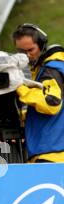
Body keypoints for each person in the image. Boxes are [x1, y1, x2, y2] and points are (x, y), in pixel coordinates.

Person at [12, 23, 64, 162]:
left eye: (30, 49)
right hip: (50, 152)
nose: (27, 55)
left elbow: (51, 104)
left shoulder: (51, 70)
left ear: (41, 45)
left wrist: (19, 88)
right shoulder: (46, 69)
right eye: (22, 52)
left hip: (52, 154)